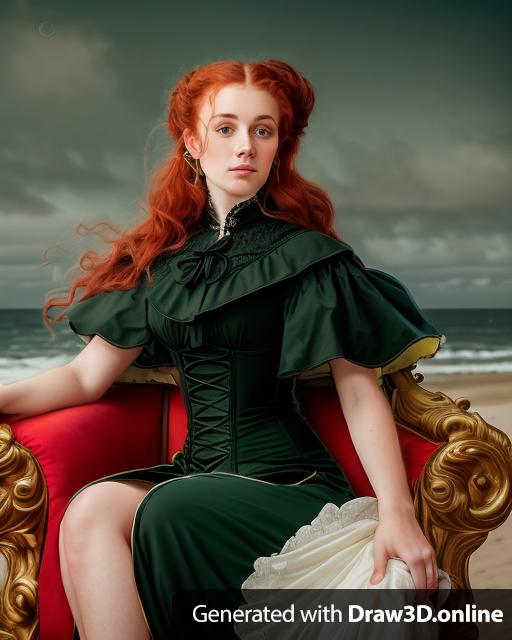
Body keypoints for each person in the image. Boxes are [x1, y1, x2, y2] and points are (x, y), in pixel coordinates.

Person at [0, 59, 447, 640]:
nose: (246, 147)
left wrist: (397, 512)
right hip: (195, 476)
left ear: (278, 145)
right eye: (226, 128)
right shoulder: (161, 262)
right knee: (90, 511)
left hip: (287, 484)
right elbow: (86, 379)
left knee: (165, 508)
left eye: (263, 130)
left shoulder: (306, 256)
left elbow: (359, 391)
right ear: (192, 141)